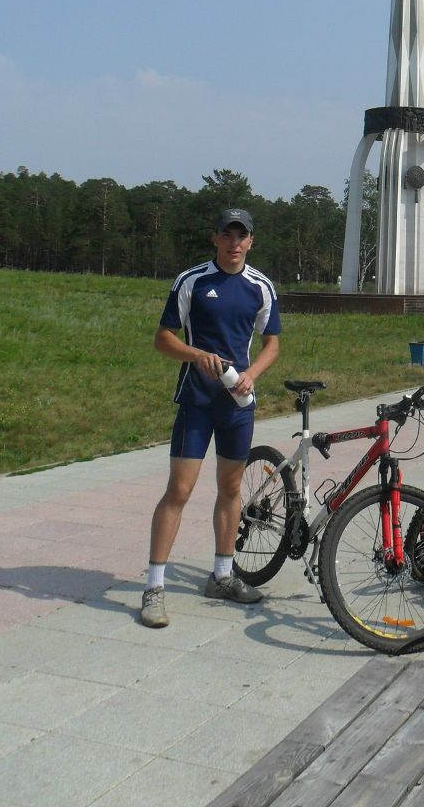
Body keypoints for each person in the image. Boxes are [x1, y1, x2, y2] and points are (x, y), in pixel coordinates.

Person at [140, 208, 281, 628]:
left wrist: (253, 374)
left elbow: (272, 343)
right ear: (215, 238)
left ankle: (222, 576)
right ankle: (154, 588)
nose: (234, 243)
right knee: (179, 490)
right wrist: (195, 354)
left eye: (241, 236)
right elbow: (162, 339)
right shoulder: (192, 281)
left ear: (251, 241)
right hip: (197, 401)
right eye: (227, 235)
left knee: (231, 488)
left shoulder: (261, 286)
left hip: (237, 402)